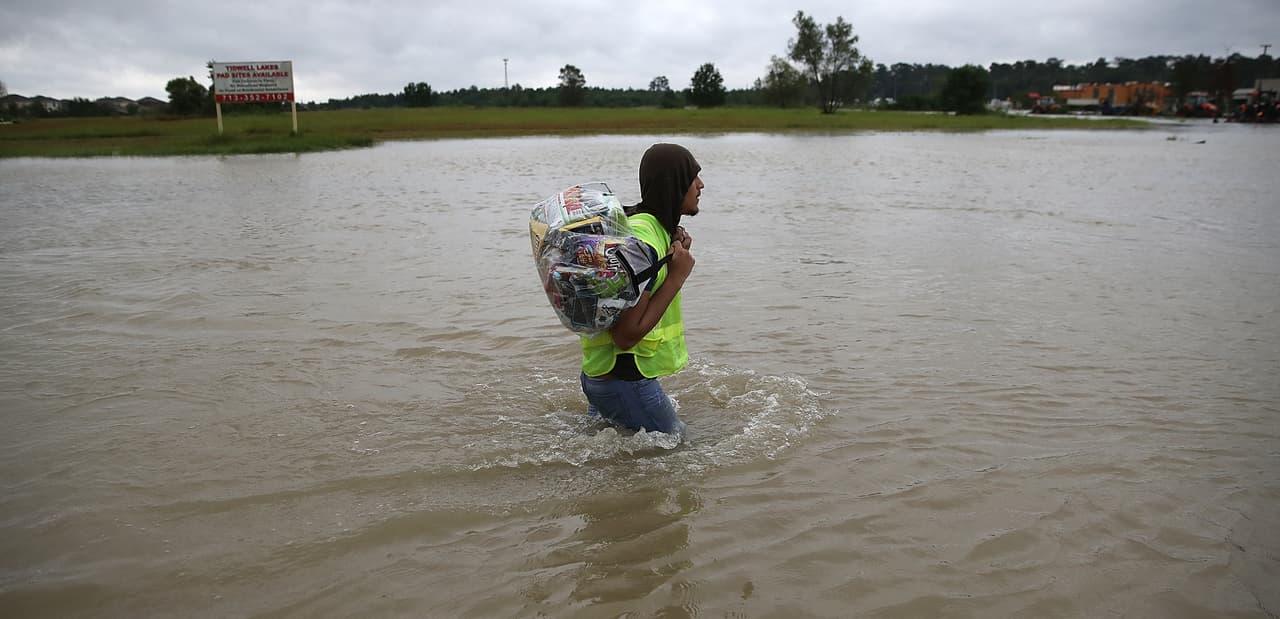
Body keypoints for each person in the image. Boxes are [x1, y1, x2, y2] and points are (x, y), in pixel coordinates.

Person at [578, 143, 704, 436]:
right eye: (693, 177)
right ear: (674, 185)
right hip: (624, 380)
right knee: (678, 449)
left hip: (602, 376)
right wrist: (677, 277)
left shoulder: (648, 227)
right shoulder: (645, 241)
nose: (700, 185)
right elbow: (625, 334)